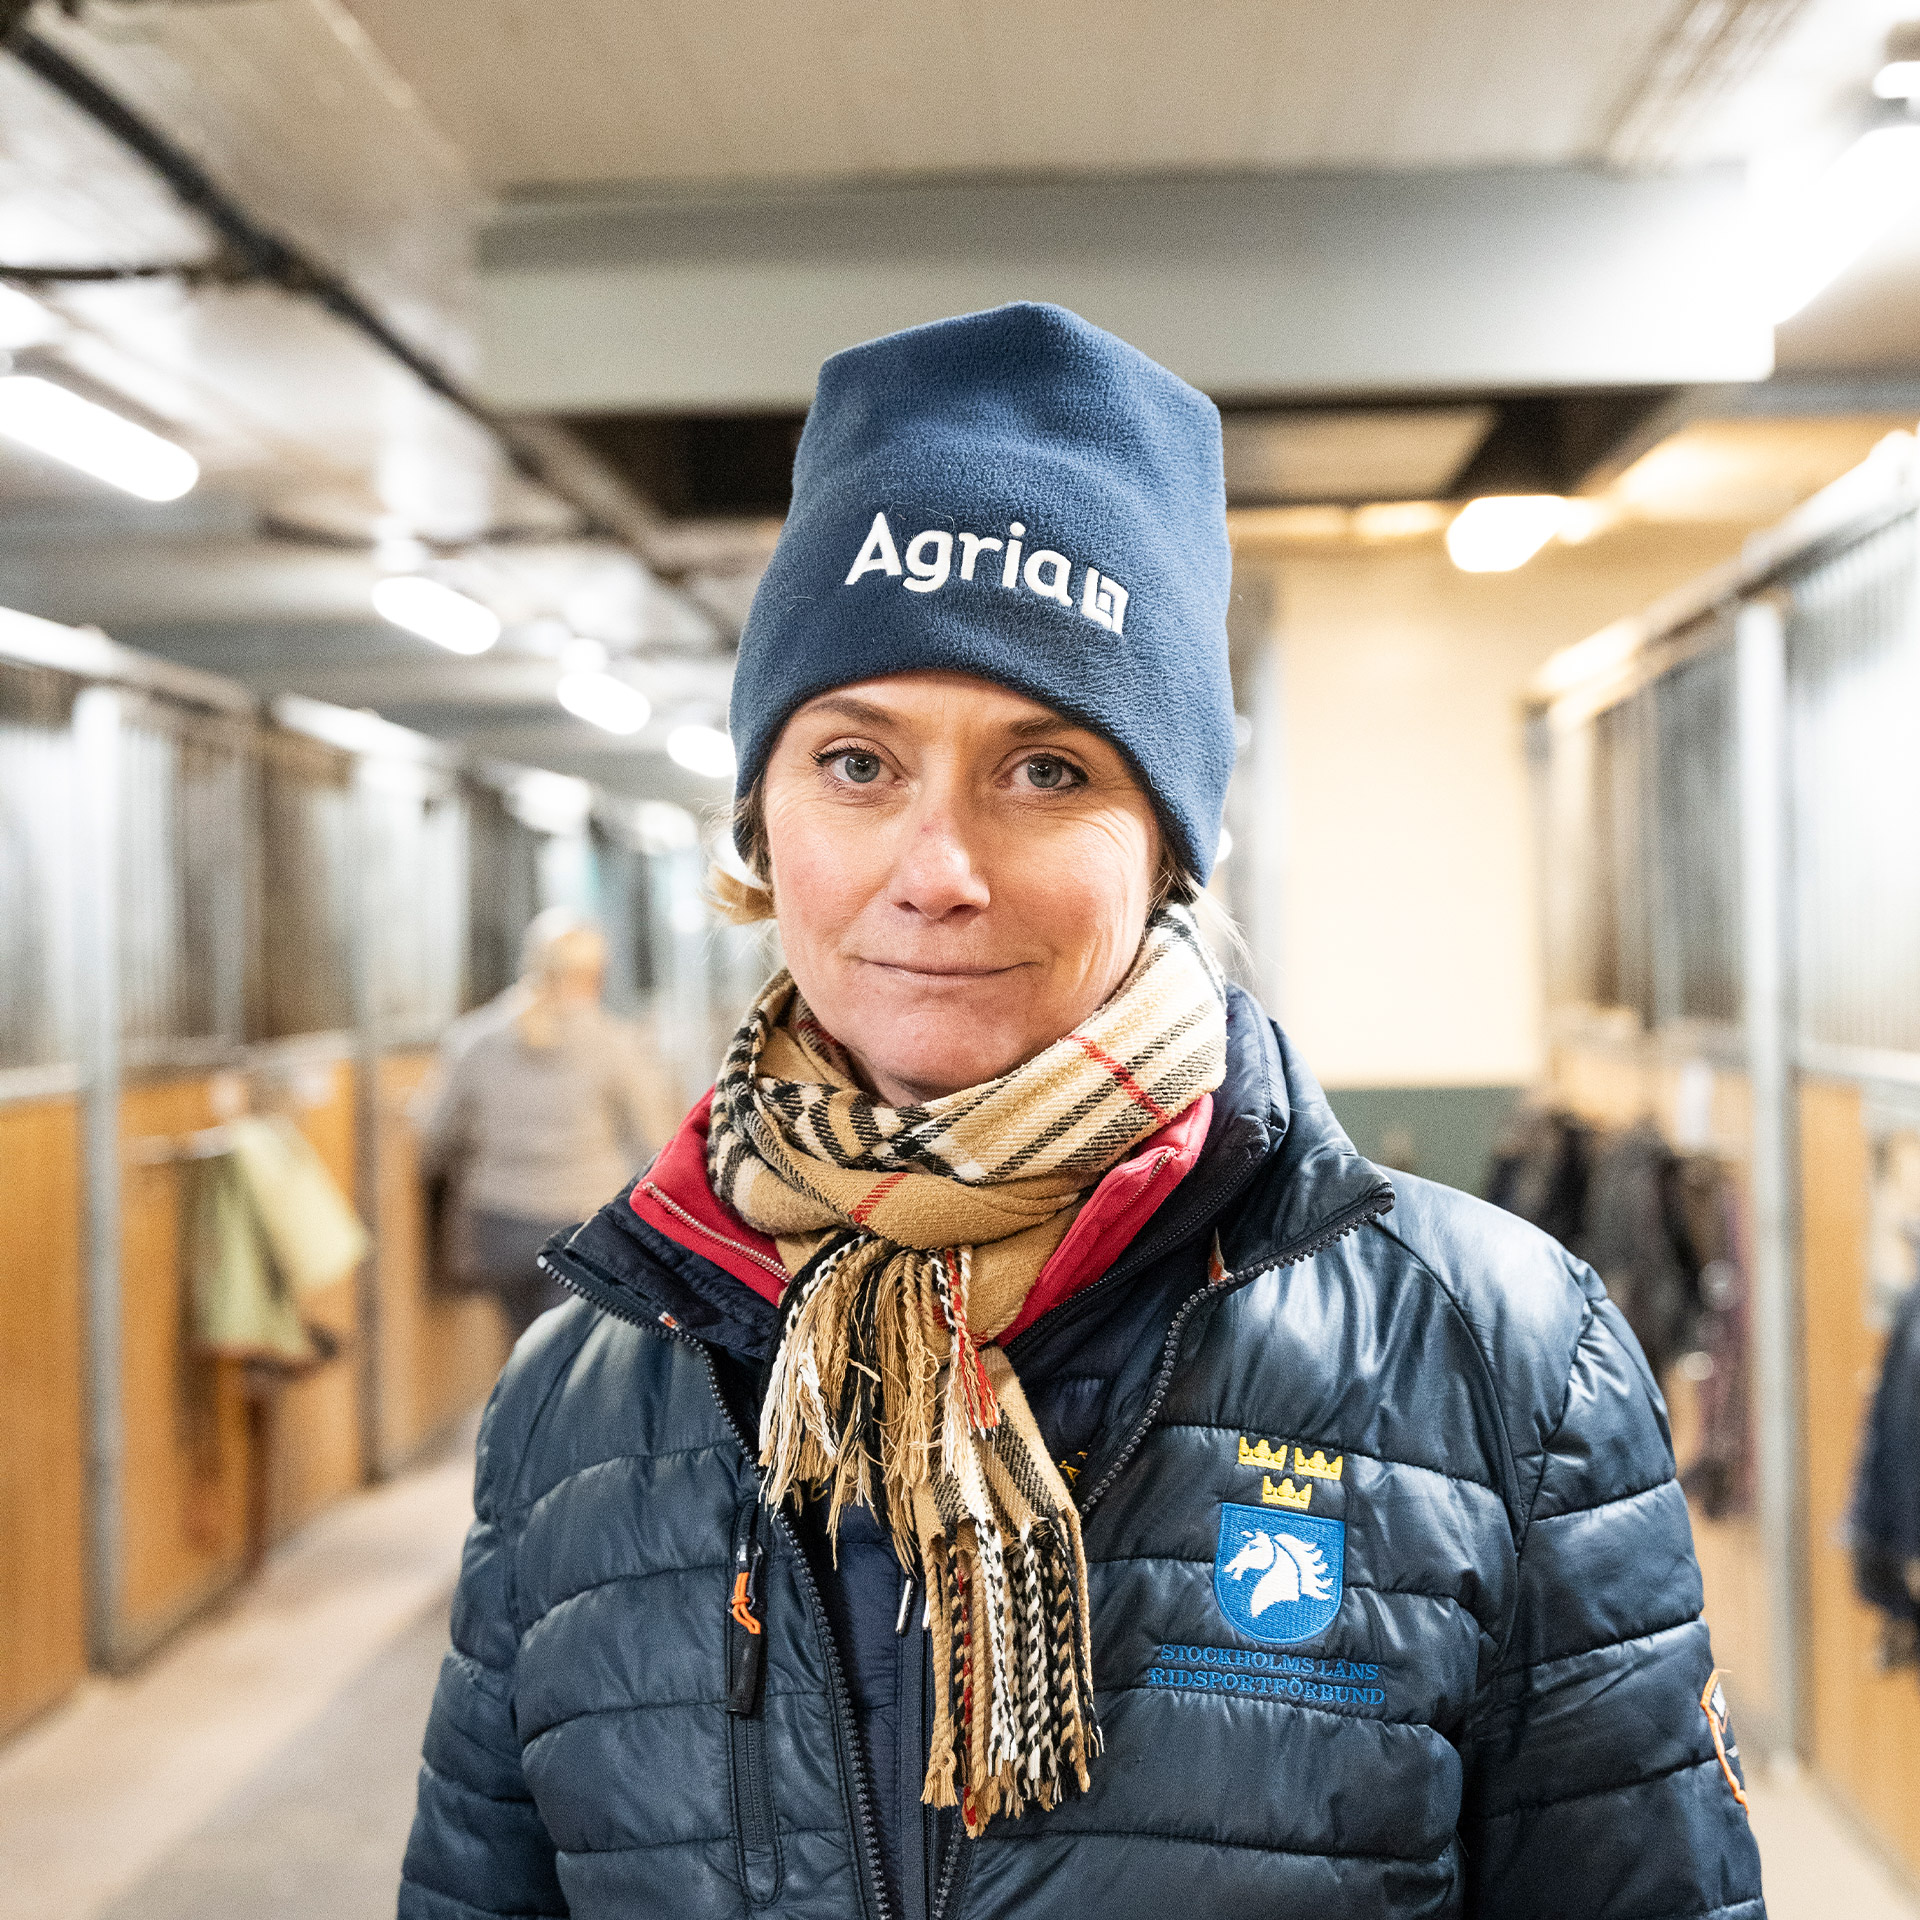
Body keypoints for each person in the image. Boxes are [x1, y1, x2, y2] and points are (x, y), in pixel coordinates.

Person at [399, 305, 1764, 1919]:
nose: (938, 872)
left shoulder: (1497, 1365)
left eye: (1047, 770)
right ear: (759, 821)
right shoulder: (579, 1400)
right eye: (855, 762)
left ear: (1171, 847)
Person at [415, 910, 652, 1338]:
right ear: (594, 974)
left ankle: (526, 1404)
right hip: (583, 1226)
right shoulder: (616, 1044)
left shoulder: (476, 1039)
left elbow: (435, 1133)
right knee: (572, 1356)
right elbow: (652, 1140)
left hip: (497, 1226)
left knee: (524, 1347)